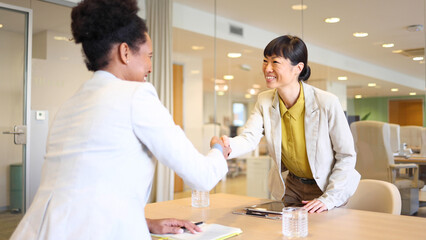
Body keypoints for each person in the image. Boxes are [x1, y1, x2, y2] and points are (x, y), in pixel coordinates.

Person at [11, 0, 229, 239]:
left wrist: (143, 222)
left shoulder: (71, 104)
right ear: (125, 52)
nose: (150, 67)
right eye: (149, 56)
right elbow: (201, 176)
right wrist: (219, 150)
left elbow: (82, 190)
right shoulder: (137, 95)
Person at [221, 35, 360, 213]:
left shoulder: (327, 102)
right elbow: (249, 137)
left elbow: (346, 155)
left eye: (275, 62)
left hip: (327, 186)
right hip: (292, 186)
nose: (267, 68)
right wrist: (228, 145)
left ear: (298, 68)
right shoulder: (264, 100)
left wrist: (330, 198)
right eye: (265, 61)